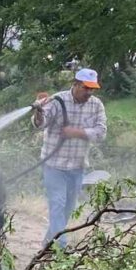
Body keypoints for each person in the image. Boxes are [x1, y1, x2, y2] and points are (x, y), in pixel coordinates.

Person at [32, 67, 107, 246]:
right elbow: (40, 124)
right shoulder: (57, 100)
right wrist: (38, 111)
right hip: (54, 165)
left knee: (68, 209)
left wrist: (76, 132)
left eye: (92, 89)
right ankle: (61, 249)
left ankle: (49, 243)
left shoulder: (96, 105)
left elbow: (101, 133)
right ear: (75, 84)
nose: (89, 92)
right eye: (86, 88)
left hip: (78, 166)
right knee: (57, 204)